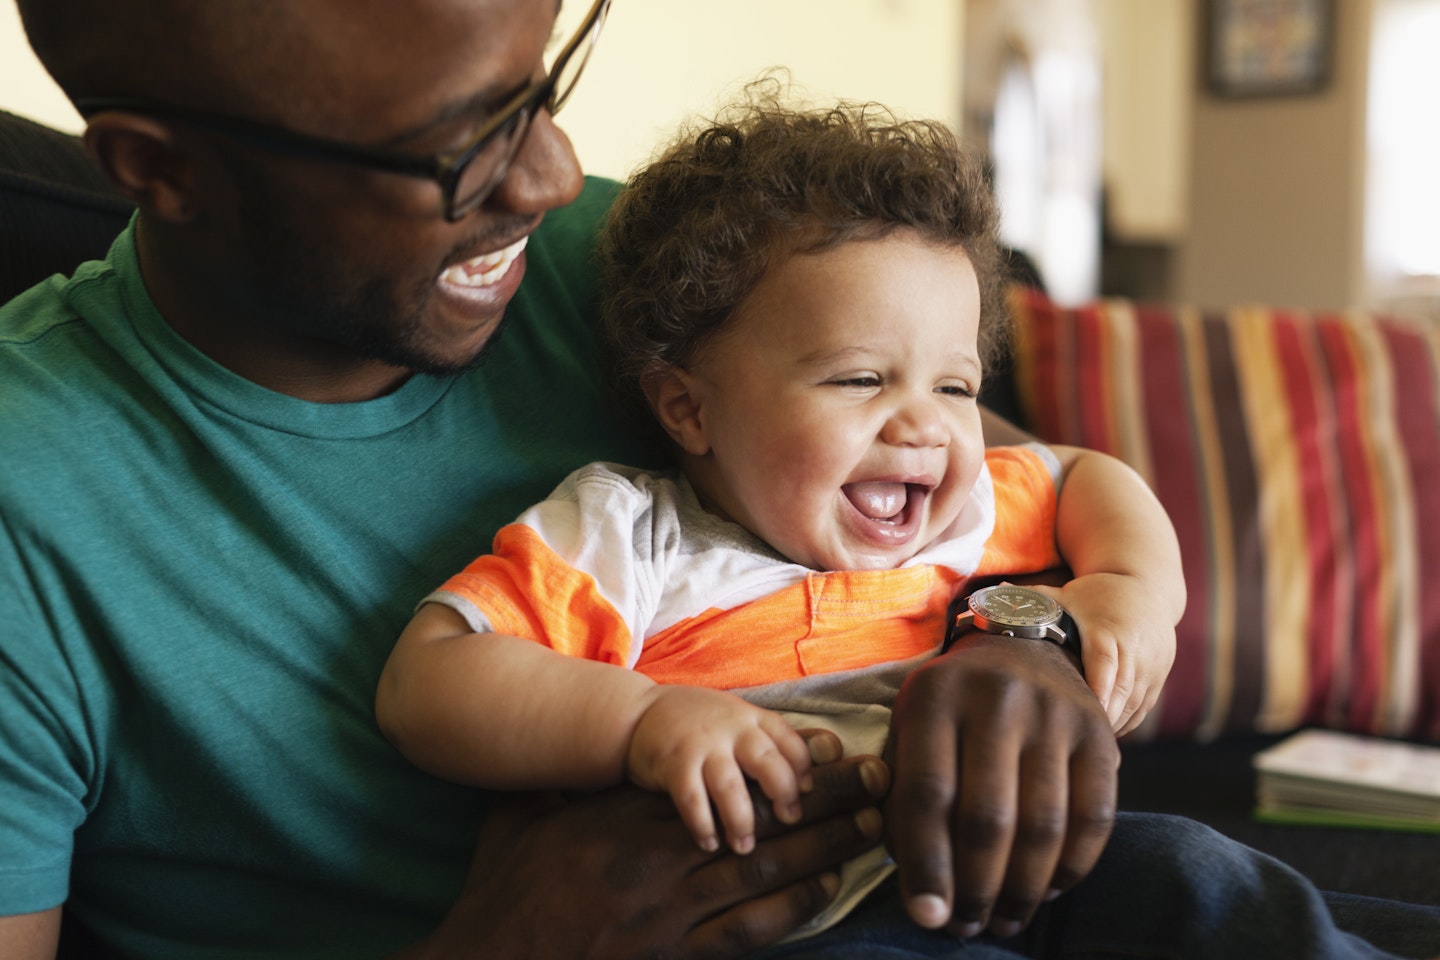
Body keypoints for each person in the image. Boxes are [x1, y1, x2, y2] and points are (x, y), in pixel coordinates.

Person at [1, 0, 1438, 957]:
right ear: (158, 167)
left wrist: (1033, 641)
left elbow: (972, 469)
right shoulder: (32, 505)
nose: (551, 176)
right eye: (457, 148)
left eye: (543, 85)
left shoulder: (623, 266)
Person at [375, 95, 1187, 940]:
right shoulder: (633, 536)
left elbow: (1087, 474)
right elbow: (427, 679)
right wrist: (641, 721)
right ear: (690, 410)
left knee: (1194, 873)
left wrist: (1129, 588)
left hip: (1022, 857)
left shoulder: (966, 511)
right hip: (812, 923)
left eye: (955, 388)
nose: (923, 426)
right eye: (859, 380)